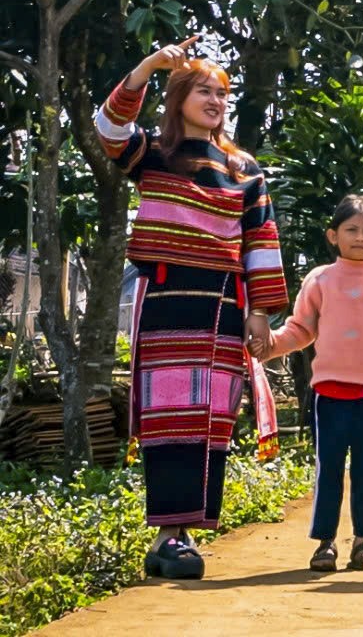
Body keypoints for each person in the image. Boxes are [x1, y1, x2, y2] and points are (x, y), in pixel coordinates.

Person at [95, 41, 289, 581]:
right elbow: (109, 131)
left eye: (222, 93)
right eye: (203, 90)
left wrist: (260, 313)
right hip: (165, 297)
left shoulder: (242, 168)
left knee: (212, 419)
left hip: (223, 304)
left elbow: (260, 239)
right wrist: (149, 67)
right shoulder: (154, 152)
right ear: (178, 96)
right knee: (169, 415)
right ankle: (170, 533)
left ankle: (181, 533)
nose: (215, 100)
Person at [259, 193, 363, 572]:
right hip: (328, 394)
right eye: (351, 229)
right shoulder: (320, 279)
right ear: (333, 235)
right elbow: (301, 329)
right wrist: (270, 346)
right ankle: (324, 543)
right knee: (328, 467)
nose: (359, 237)